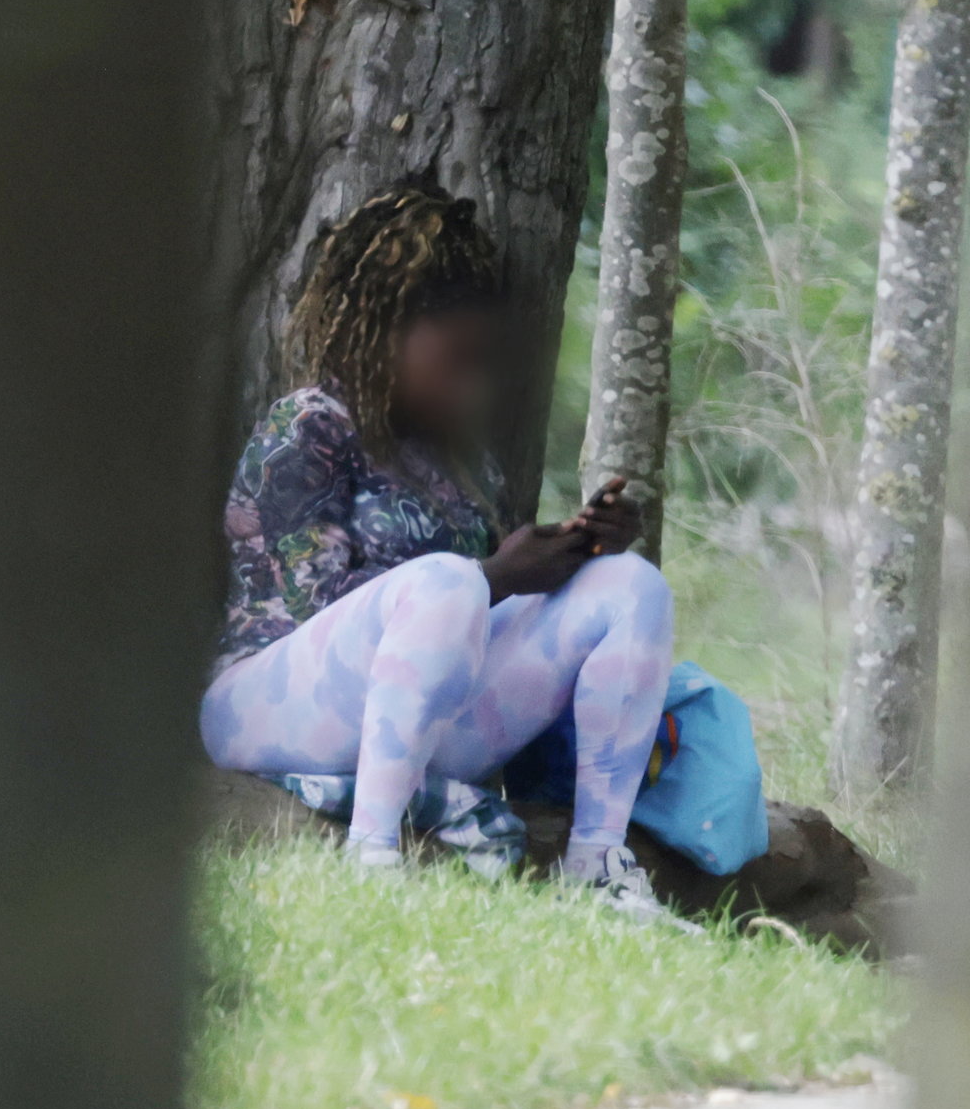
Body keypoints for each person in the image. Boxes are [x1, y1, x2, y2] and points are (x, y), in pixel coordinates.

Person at [206, 180, 682, 915]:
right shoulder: (310, 426)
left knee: (630, 585)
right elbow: (325, 615)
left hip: (417, 727)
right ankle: (373, 857)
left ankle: (597, 861)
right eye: (457, 357)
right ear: (385, 329)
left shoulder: (463, 465)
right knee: (451, 584)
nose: (473, 382)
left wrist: (575, 552)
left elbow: (461, 637)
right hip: (266, 709)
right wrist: (492, 576)